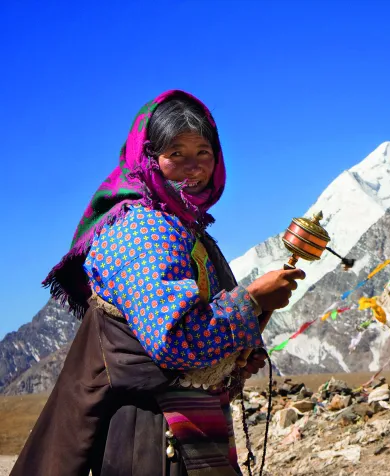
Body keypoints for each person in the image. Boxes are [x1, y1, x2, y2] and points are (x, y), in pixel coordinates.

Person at [11, 90, 305, 476]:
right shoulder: (143, 228)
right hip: (152, 436)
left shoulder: (182, 226)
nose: (193, 167)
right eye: (175, 154)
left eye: (203, 152)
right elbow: (176, 341)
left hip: (182, 427)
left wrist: (234, 357)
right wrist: (251, 299)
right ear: (148, 157)